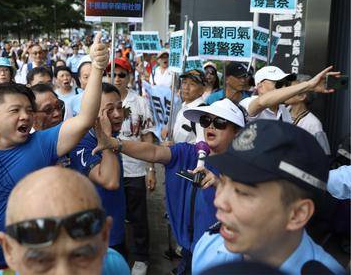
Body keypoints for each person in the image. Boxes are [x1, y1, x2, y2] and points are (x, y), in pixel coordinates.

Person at [0, 33, 109, 272]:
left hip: (34, 262)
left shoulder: (42, 143)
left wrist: (97, 68)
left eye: (29, 110)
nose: (25, 116)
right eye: (15, 110)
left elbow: (84, 119)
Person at [94, 98, 246, 274]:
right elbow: (154, 152)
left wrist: (220, 184)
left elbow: (250, 208)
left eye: (219, 122)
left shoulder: (245, 166)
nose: (210, 126)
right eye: (206, 120)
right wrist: (114, 144)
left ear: (236, 132)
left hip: (223, 255)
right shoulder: (189, 153)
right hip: (189, 251)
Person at [192, 120, 345, 274]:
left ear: (298, 214)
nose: (219, 201)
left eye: (242, 192)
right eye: (224, 183)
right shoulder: (208, 247)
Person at [0, 167, 130, 275]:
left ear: (104, 238)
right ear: (9, 250)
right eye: (41, 261)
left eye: (80, 255)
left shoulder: (115, 267)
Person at [62, 83, 127, 259]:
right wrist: (106, 138)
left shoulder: (113, 138)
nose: (117, 114)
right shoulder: (81, 143)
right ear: (92, 113)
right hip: (92, 236)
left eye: (120, 108)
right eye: (109, 110)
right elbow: (110, 181)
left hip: (115, 227)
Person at [107, 59, 156, 274]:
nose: (117, 78)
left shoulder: (140, 102)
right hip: (110, 167)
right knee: (114, 213)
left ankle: (141, 257)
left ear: (129, 77)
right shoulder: (102, 100)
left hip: (135, 168)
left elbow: (147, 136)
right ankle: (117, 255)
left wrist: (150, 169)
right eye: (113, 74)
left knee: (138, 216)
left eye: (121, 74)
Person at [240, 65, 339, 123]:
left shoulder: (284, 111)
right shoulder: (248, 102)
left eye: (285, 83)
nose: (284, 87)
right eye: (278, 83)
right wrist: (308, 85)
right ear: (260, 86)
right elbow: (261, 102)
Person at [285, 74, 331, 154]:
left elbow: (324, 154)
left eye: (291, 89)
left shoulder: (313, 124)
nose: (285, 91)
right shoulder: (281, 112)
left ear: (302, 96)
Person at [171, 69, 206, 144]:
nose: (186, 87)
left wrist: (176, 149)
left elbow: (202, 148)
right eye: (184, 82)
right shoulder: (183, 106)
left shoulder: (201, 113)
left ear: (202, 90)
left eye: (192, 84)